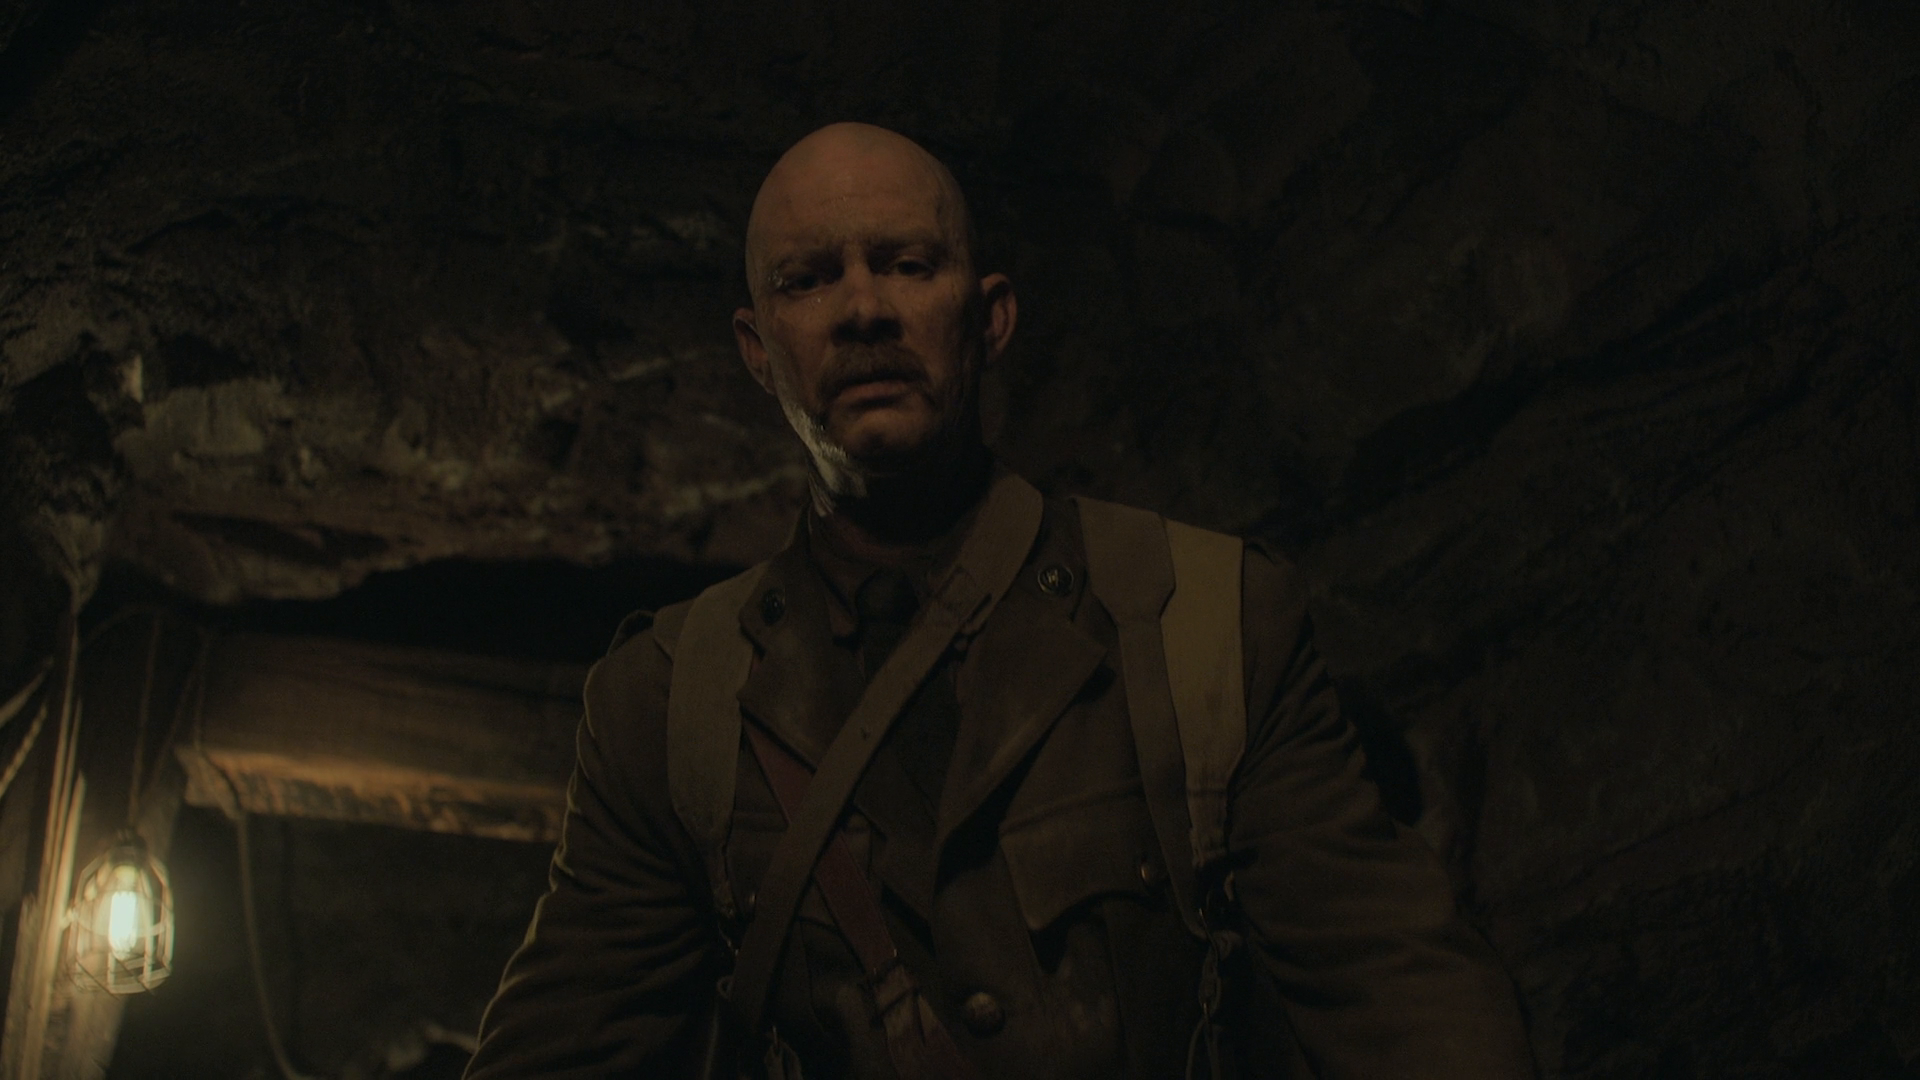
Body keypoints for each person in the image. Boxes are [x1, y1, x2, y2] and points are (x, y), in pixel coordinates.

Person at [465, 122, 1535, 1079]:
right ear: (758, 350)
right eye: (809, 279)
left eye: (907, 264)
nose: (864, 309)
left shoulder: (1206, 625)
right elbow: (566, 1045)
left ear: (990, 319)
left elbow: (1398, 991)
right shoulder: (669, 705)